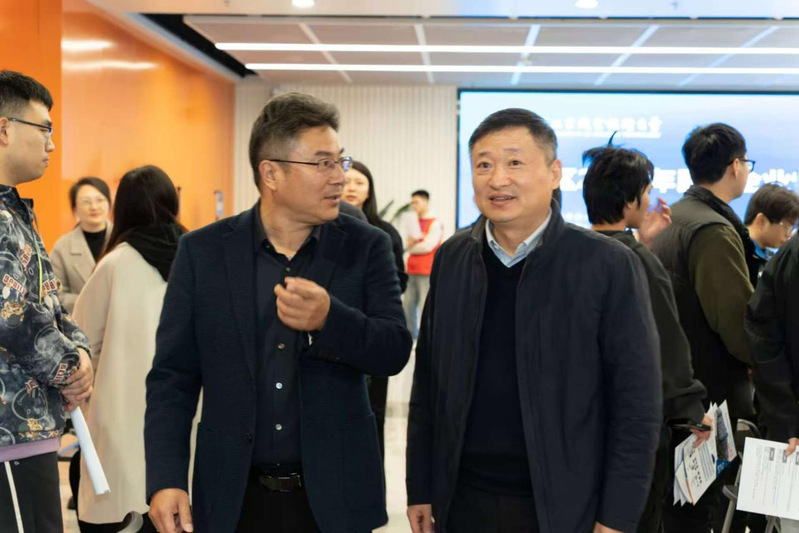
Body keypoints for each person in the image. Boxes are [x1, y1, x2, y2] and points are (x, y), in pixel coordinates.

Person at [145, 92, 412, 533]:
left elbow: (394, 350)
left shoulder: (367, 246)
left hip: (336, 498)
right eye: (322, 163)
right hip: (233, 497)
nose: (339, 177)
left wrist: (330, 320)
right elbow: (172, 377)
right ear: (271, 173)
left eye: (340, 161)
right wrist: (166, 478)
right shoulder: (202, 253)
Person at [406, 108, 662, 533]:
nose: (497, 179)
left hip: (564, 507)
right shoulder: (453, 258)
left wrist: (616, 517)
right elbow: (429, 384)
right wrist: (420, 486)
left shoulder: (607, 265)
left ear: (555, 172)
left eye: (514, 162)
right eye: (483, 165)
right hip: (462, 501)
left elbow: (637, 403)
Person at [582, 145, 711, 533]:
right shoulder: (638, 262)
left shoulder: (572, 253)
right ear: (630, 201)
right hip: (633, 429)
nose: (651, 199)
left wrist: (644, 240)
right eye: (647, 191)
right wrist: (691, 408)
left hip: (580, 427)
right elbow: (666, 345)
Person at [651, 123, 757, 533]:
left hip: (677, 392)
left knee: (679, 509)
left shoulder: (674, 217)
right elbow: (736, 323)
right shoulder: (713, 230)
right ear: (735, 166)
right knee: (703, 510)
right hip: (710, 400)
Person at [0, 70, 94, 531]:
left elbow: (51, 304)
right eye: (44, 129)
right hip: (8, 433)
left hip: (30, 429)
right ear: (4, 129)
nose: (51, 145)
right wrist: (71, 367)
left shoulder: (17, 212)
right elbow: (10, 315)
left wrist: (81, 353)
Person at [72, 165, 184, 532]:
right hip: (187, 416)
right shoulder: (196, 256)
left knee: (121, 513)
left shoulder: (115, 263)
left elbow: (79, 342)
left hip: (122, 422)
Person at [344, 159, 407, 468]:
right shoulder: (317, 227)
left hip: (374, 330)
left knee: (373, 412)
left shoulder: (384, 233)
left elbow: (400, 280)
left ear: (369, 190)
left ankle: (373, 479)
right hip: (332, 335)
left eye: (359, 182)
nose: (351, 187)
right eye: (347, 181)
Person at [746, 232, 799, 533]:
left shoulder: (786, 256)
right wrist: (785, 419)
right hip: (790, 431)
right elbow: (764, 340)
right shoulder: (791, 259)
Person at [50, 176, 113, 313]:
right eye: (86, 201)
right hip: (80, 321)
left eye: (100, 200)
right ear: (75, 208)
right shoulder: (63, 247)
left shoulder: (123, 240)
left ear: (109, 203)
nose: (94, 207)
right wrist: (90, 300)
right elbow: (54, 294)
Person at [403, 189, 442, 339]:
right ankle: (410, 337)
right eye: (412, 202)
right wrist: (410, 245)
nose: (414, 205)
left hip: (426, 270)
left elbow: (427, 246)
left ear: (425, 202)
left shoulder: (435, 223)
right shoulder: (412, 222)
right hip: (411, 269)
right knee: (408, 305)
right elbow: (405, 243)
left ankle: (426, 339)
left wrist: (411, 246)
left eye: (416, 202)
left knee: (425, 306)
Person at [744, 183, 799, 279]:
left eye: (792, 228)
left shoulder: (773, 258)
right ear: (761, 221)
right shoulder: (736, 253)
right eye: (787, 226)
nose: (790, 234)